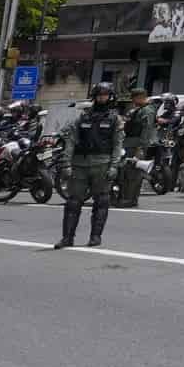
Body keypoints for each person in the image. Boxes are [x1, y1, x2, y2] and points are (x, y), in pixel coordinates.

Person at [53, 81, 123, 249]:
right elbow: (70, 140)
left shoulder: (115, 119)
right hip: (79, 165)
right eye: (99, 95)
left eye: (105, 95)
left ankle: (95, 237)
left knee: (101, 201)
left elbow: (117, 144)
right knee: (73, 202)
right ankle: (67, 238)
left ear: (111, 97)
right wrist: (66, 163)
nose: (102, 98)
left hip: (102, 164)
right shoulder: (82, 116)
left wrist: (114, 166)